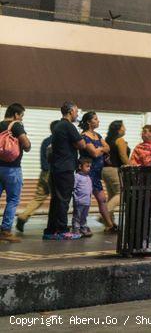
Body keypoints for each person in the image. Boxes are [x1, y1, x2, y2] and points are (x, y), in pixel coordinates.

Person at [44, 102, 102, 240]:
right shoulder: (68, 125)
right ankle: (62, 230)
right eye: (76, 111)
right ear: (70, 112)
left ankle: (51, 231)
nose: (77, 114)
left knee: (56, 200)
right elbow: (81, 144)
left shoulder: (58, 125)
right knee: (64, 200)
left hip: (57, 167)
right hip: (65, 168)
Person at [15, 120, 58, 233]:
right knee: (58, 199)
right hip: (54, 173)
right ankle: (57, 224)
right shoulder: (60, 141)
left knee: (39, 197)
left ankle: (23, 216)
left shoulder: (45, 141)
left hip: (44, 173)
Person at [78, 112, 116, 232]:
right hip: (87, 173)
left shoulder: (97, 135)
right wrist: (101, 150)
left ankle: (109, 225)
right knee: (84, 201)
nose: (98, 121)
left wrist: (100, 149)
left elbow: (108, 147)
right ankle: (79, 225)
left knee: (102, 199)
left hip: (97, 174)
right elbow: (93, 153)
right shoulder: (84, 136)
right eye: (95, 119)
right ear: (89, 122)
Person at [0, 103, 30, 242]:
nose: (22, 119)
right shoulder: (16, 125)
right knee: (12, 200)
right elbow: (26, 144)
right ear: (16, 114)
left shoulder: (0, 125)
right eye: (22, 116)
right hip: (12, 169)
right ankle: (5, 231)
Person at [102, 120, 128, 220]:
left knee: (112, 195)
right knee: (121, 194)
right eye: (124, 126)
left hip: (105, 170)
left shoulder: (108, 139)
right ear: (119, 129)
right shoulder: (120, 140)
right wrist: (133, 166)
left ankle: (109, 223)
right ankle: (104, 214)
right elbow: (123, 157)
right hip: (113, 169)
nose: (125, 128)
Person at [71, 157, 94, 237]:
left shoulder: (88, 177)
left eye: (90, 166)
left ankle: (83, 228)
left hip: (86, 202)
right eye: (87, 166)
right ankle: (76, 229)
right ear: (80, 167)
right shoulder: (77, 176)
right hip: (79, 201)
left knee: (84, 216)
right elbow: (73, 188)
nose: (89, 168)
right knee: (77, 216)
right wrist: (75, 198)